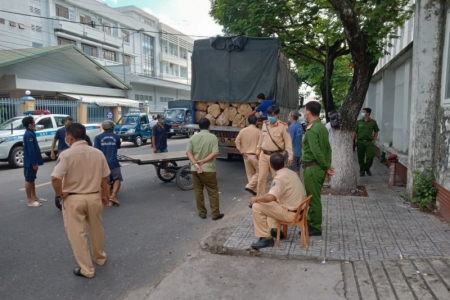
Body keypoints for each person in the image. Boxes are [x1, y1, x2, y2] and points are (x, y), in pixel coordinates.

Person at [51, 123, 110, 279]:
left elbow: (55, 178)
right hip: (94, 196)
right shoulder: (98, 153)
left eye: (66, 137)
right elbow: (105, 179)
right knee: (97, 229)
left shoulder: (66, 154)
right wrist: (105, 195)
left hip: (74, 198)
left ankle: (87, 269)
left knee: (78, 234)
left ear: (70, 138)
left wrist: (60, 194)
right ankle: (100, 258)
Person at [249, 153, 306, 249]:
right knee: (269, 203)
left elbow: (271, 197)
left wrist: (255, 199)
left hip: (292, 215)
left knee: (257, 206)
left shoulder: (279, 178)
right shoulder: (290, 172)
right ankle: (275, 230)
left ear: (270, 165)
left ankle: (266, 238)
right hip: (300, 211)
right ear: (284, 163)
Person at [302, 101, 334, 236]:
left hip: (312, 168)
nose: (304, 113)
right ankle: (311, 222)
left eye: (304, 110)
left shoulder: (312, 130)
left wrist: (327, 166)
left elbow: (316, 152)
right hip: (318, 168)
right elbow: (328, 148)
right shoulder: (321, 127)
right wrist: (327, 166)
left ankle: (315, 226)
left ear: (308, 112)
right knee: (313, 197)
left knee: (313, 198)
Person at [186, 118, 224, 220]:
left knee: (198, 191)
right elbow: (215, 152)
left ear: (199, 127)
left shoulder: (193, 138)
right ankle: (215, 213)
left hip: (195, 169)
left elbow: (188, 153)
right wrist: (203, 161)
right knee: (212, 191)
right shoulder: (212, 137)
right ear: (209, 126)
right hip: (208, 170)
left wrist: (195, 163)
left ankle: (202, 213)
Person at [255, 105, 293, 196]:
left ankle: (276, 198)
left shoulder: (283, 126)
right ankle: (259, 198)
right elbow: (261, 138)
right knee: (261, 178)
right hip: (263, 155)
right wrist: (258, 150)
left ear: (277, 115)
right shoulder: (265, 124)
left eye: (272, 115)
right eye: (269, 115)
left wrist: (291, 156)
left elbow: (288, 143)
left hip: (276, 156)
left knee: (276, 179)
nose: (270, 117)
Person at [94, 120, 122, 206]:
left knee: (105, 181)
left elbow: (96, 150)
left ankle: (110, 197)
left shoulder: (97, 138)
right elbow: (118, 146)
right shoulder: (116, 137)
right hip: (114, 161)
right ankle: (113, 196)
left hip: (103, 163)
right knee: (117, 179)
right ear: (112, 128)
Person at [22, 115, 45, 207]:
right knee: (29, 180)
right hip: (29, 162)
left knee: (32, 179)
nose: (35, 123)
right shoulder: (29, 135)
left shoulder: (31, 133)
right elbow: (31, 150)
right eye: (33, 122)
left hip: (31, 161)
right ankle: (29, 200)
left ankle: (34, 197)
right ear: (30, 125)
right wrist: (34, 163)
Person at [235, 115, 261, 195]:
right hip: (255, 155)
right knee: (260, 172)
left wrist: (241, 151)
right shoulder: (259, 132)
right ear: (256, 122)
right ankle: (251, 187)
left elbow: (236, 141)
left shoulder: (243, 131)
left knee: (249, 174)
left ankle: (253, 189)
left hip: (245, 155)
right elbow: (261, 145)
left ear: (248, 122)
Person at [353, 108, 380, 176]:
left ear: (368, 113)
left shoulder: (373, 122)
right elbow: (355, 132)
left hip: (369, 142)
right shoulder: (358, 122)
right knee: (360, 157)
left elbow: (376, 132)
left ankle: (367, 168)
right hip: (360, 142)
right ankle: (362, 171)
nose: (362, 113)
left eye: (363, 112)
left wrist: (374, 140)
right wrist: (352, 141)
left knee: (371, 156)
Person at [287, 111, 303, 177]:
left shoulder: (292, 126)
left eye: (289, 115)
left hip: (292, 152)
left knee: (291, 171)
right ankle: (297, 184)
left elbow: (290, 140)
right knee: (297, 169)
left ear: (292, 117)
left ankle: (294, 185)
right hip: (298, 151)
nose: (288, 117)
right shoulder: (299, 125)